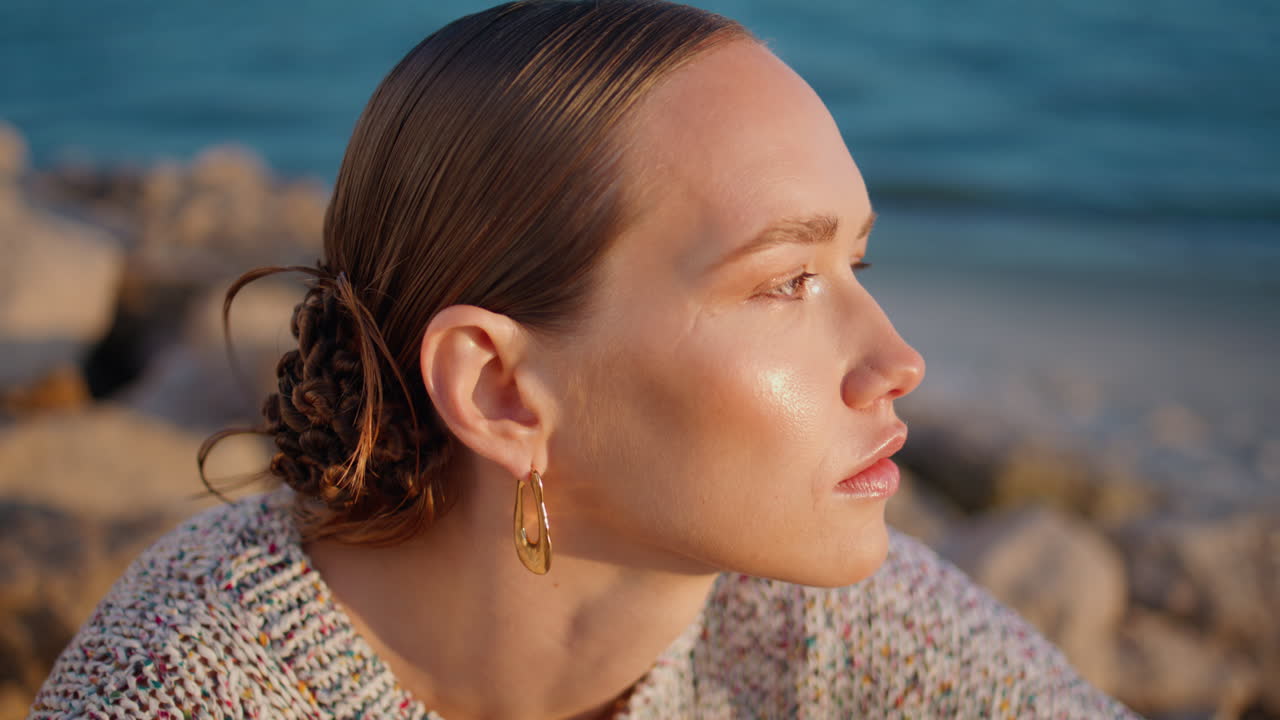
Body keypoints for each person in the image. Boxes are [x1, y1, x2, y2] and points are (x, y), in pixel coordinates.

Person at [30, 1, 1142, 718]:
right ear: (501, 390)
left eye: (854, 260)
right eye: (784, 282)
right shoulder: (182, 690)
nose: (895, 360)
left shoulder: (832, 626)